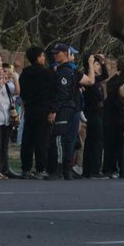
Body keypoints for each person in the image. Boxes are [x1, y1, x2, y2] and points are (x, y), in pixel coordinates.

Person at [17, 47, 57, 179]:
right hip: (43, 109)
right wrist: (53, 110)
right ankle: (41, 168)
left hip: (29, 109)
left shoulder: (25, 73)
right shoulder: (47, 73)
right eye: (42, 56)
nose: (44, 58)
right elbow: (52, 93)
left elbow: (22, 92)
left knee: (27, 140)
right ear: (38, 57)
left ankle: (26, 168)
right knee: (42, 140)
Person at [47, 42, 81, 179]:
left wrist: (54, 110)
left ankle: (59, 169)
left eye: (58, 53)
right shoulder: (68, 70)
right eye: (54, 53)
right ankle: (67, 171)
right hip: (69, 107)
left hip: (64, 108)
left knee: (59, 139)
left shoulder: (64, 72)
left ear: (66, 54)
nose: (55, 55)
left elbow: (62, 92)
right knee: (68, 140)